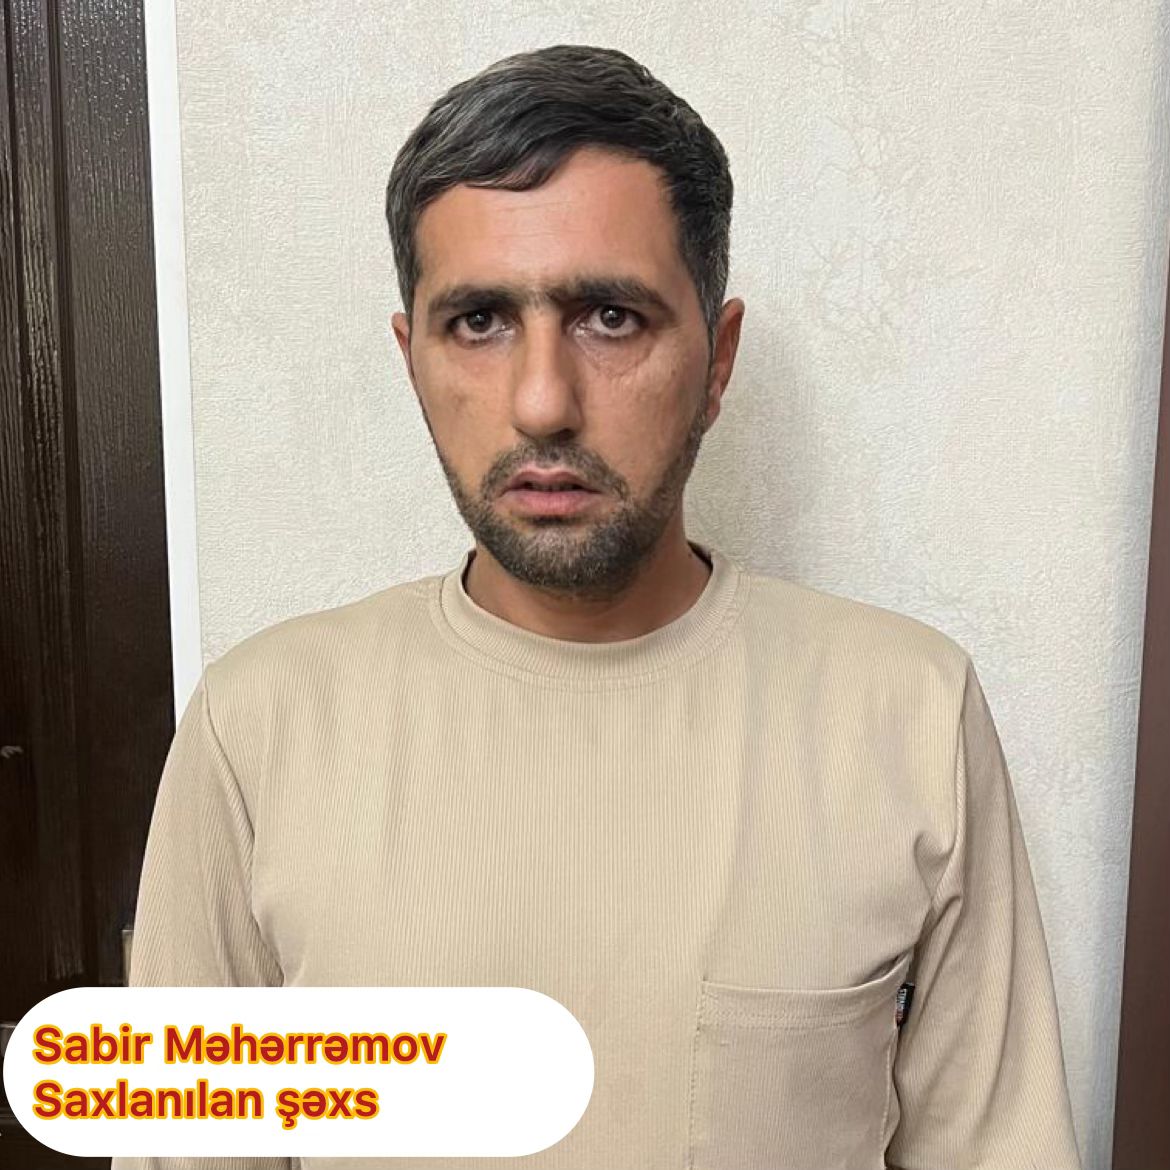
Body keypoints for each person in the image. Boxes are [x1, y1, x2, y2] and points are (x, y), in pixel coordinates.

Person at [116, 43, 1082, 1170]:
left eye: (611, 317)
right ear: (412, 359)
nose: (542, 402)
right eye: (479, 321)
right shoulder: (257, 729)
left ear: (717, 360)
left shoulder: (909, 711)